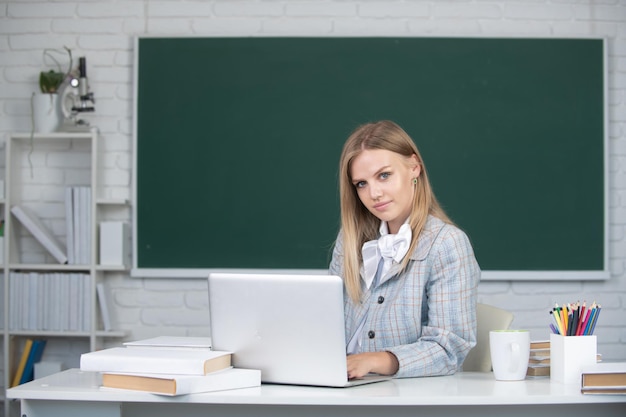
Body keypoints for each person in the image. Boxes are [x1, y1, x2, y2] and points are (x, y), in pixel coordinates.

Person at [329, 120, 480, 379]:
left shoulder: (447, 244)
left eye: (384, 175)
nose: (374, 193)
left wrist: (377, 360)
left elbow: (449, 350)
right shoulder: (349, 240)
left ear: (414, 168)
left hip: (405, 395)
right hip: (339, 385)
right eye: (361, 184)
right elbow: (326, 322)